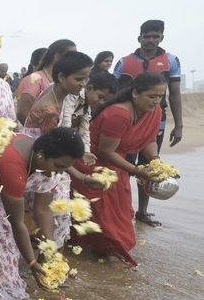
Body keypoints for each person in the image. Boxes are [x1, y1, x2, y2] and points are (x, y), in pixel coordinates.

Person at [0, 128, 84, 300]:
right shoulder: (13, 164)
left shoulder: (48, 165)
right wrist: (32, 262)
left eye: (65, 168)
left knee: (9, 258)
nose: (59, 172)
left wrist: (50, 251)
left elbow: (43, 210)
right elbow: (16, 222)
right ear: (41, 155)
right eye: (58, 167)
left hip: (8, 191)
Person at [71, 72, 166, 266]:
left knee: (121, 217)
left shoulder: (155, 112)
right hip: (94, 165)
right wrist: (137, 170)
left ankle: (106, 250)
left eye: (160, 96)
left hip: (118, 167)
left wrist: (156, 161)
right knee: (100, 218)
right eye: (151, 96)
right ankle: (96, 251)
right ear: (135, 93)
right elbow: (106, 152)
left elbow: (149, 140)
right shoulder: (119, 114)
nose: (156, 101)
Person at [114, 19, 183, 227]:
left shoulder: (171, 61)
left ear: (161, 37)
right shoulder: (124, 62)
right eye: (147, 36)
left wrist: (178, 125)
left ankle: (142, 211)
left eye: (155, 36)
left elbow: (175, 94)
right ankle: (120, 210)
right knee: (123, 166)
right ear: (139, 38)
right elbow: (112, 91)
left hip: (156, 122)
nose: (151, 40)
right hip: (127, 123)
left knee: (149, 165)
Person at [22, 51, 94, 246]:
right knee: (55, 216)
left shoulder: (56, 92)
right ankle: (50, 262)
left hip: (43, 157)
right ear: (62, 77)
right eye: (79, 79)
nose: (83, 84)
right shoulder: (50, 110)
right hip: (40, 164)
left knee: (46, 217)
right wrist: (81, 176)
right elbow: (54, 152)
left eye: (86, 78)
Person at [15, 39, 76, 123]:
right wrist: (38, 133)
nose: (74, 61)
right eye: (71, 56)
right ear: (57, 56)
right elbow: (22, 113)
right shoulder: (34, 79)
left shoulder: (60, 81)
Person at [72, 70, 118, 153]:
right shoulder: (72, 99)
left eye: (106, 100)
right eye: (100, 97)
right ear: (89, 88)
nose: (101, 103)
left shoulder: (89, 108)